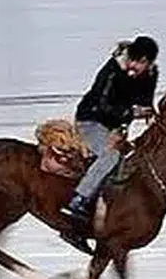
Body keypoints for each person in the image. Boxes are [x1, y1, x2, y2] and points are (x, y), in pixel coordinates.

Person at [58, 35, 160, 250]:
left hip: (116, 127)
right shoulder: (111, 70)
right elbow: (101, 104)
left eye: (140, 64)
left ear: (148, 62)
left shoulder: (150, 74)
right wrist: (129, 112)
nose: (134, 67)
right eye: (133, 61)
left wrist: (147, 111)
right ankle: (78, 199)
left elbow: (145, 100)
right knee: (111, 155)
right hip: (90, 121)